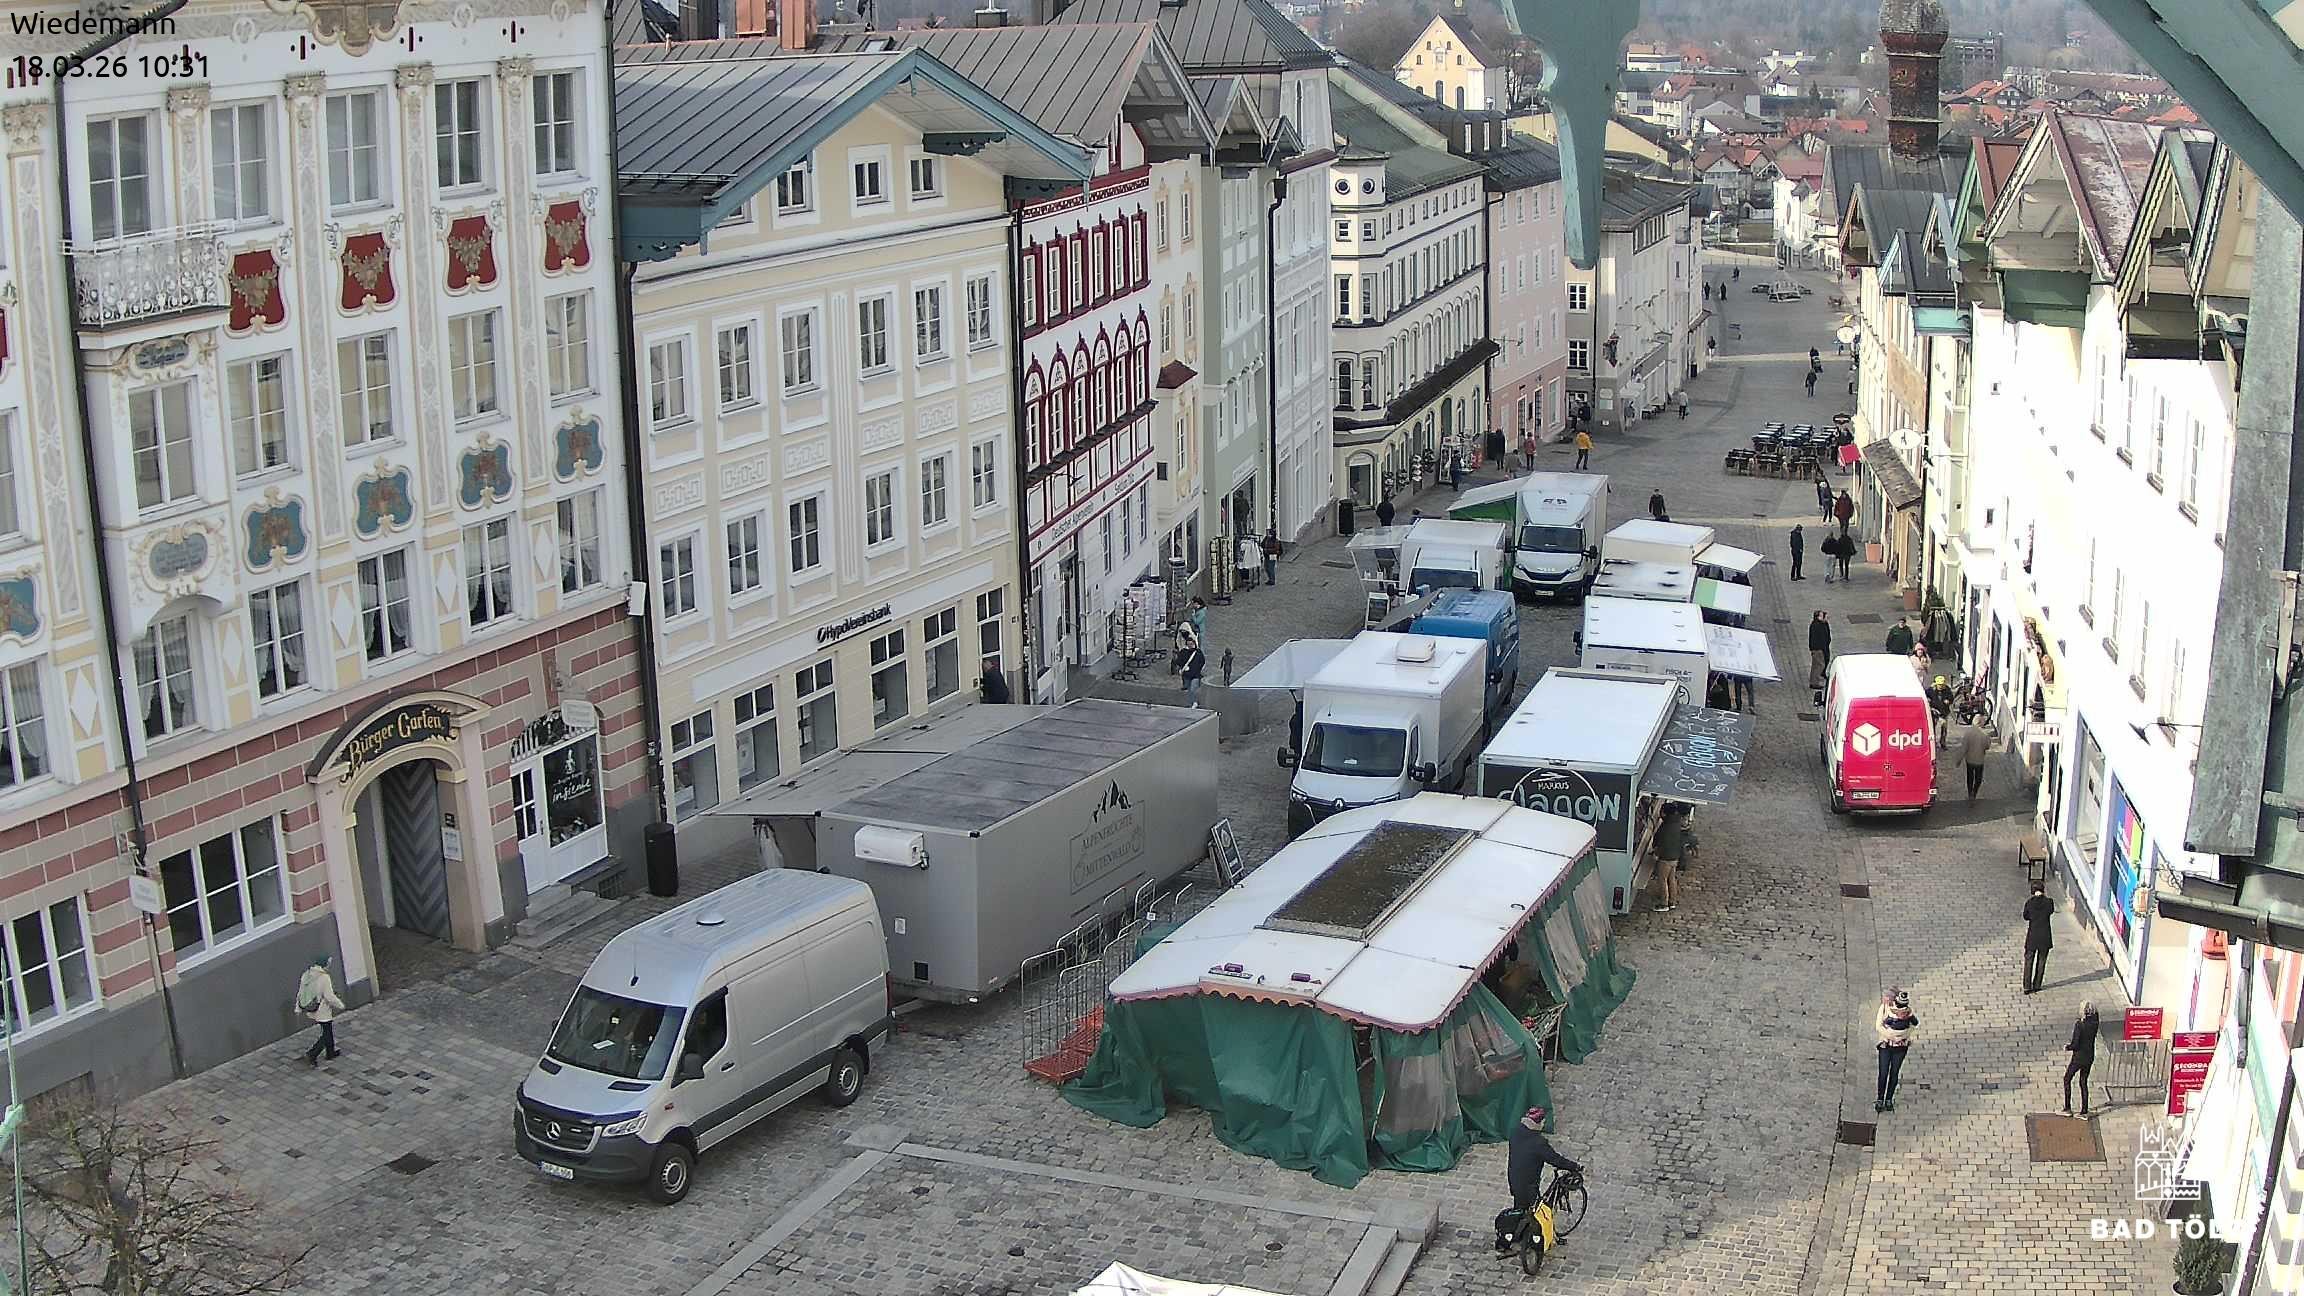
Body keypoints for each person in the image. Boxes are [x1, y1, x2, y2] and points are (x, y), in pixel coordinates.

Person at [1505, 1106, 1582, 1217]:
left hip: (1514, 1177)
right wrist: (1575, 1166)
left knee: (1521, 1207)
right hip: (1528, 1184)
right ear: (1538, 1123)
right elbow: (1555, 1159)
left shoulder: (1517, 1131)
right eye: (1543, 1121)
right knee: (1531, 1212)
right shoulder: (1538, 1143)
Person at [298, 954, 345, 1066]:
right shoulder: (324, 977)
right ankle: (312, 1054)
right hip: (322, 1010)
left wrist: (298, 1007)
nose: (329, 965)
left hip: (311, 1007)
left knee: (327, 1030)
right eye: (328, 963)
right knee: (327, 1033)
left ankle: (330, 1052)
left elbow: (301, 992)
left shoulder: (307, 974)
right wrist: (340, 1005)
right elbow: (329, 996)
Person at [1876, 989, 1918, 1112]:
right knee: (1883, 1073)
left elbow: (1913, 1025)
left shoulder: (1908, 1012)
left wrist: (1903, 1036)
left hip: (1900, 1047)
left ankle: (1889, 1099)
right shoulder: (1884, 1008)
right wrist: (1892, 1036)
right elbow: (1879, 1026)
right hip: (1886, 1045)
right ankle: (1880, 1098)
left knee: (1894, 1073)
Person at [2063, 1002, 2101, 1116]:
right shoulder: (2095, 1023)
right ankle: (2084, 1111)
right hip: (2089, 1056)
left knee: (2067, 1079)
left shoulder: (2080, 1025)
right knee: (2083, 1082)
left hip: (2078, 1057)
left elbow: (2076, 1043)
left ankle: (2068, 1108)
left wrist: (2067, 1047)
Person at [1652, 802, 1688, 912]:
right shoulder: (1676, 823)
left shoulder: (1666, 826)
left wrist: (1656, 854)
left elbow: (1662, 842)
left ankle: (1664, 903)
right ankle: (1672, 901)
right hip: (1675, 857)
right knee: (1671, 879)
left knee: (1662, 880)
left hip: (1666, 858)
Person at [2022, 881, 2054, 994]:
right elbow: (2051, 911)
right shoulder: (2049, 902)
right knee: (2041, 961)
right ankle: (2037, 985)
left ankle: (2027, 986)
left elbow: (2025, 916)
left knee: (2029, 961)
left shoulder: (2029, 903)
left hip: (2033, 936)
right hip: (2045, 936)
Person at [1957, 713, 1993, 800]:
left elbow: (1964, 748)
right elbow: (1987, 746)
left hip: (1969, 759)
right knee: (1978, 778)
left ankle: (1970, 793)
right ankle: (1974, 792)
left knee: (1970, 777)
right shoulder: (1985, 734)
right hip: (1979, 760)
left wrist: (1959, 760)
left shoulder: (1968, 733)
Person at [1179, 638, 1206, 708]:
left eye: (1191, 644)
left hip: (1195, 675)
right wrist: (1183, 667)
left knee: (1193, 689)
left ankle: (1195, 702)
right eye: (1188, 644)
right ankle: (1191, 702)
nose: (1190, 645)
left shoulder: (1198, 652)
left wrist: (1197, 669)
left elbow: (1202, 661)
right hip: (1186, 675)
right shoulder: (1183, 652)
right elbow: (1179, 661)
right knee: (1189, 689)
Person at [1808, 610, 1832, 688]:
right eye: (1822, 615)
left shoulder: (1820, 624)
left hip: (1819, 648)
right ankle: (1815, 682)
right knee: (1819, 665)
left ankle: (1815, 680)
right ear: (1818, 617)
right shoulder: (1816, 626)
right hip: (1818, 649)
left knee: (1818, 665)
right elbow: (1820, 638)